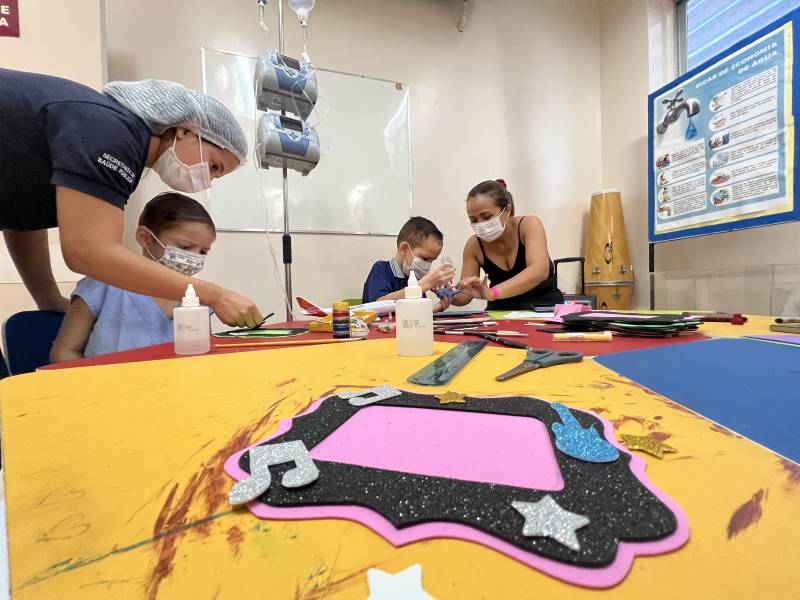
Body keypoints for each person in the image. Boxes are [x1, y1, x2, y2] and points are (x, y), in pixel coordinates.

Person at [0, 68, 262, 329]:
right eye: (214, 166)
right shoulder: (110, 131)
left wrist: (46, 297)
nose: (207, 179)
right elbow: (88, 252)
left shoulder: (111, 136)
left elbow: (22, 214)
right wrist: (214, 295)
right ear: (185, 130)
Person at [50, 193, 218, 362]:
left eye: (203, 251)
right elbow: (64, 352)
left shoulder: (199, 297)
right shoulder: (102, 286)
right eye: (185, 247)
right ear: (146, 238)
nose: (195, 257)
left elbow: (204, 356)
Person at [452, 179, 564, 310]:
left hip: (544, 308)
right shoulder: (474, 245)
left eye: (487, 217)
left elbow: (539, 271)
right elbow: (465, 295)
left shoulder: (529, 224)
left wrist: (493, 293)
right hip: (499, 311)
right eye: (473, 220)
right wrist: (448, 295)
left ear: (507, 210)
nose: (480, 224)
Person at [361, 216, 455, 311]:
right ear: (404, 249)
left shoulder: (416, 279)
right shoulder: (381, 269)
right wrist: (425, 283)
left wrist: (435, 310)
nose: (428, 265)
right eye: (425, 258)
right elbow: (378, 305)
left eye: (432, 260)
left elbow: (414, 316)